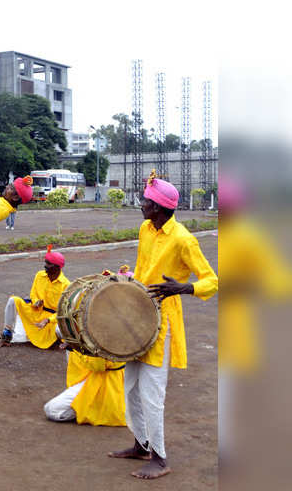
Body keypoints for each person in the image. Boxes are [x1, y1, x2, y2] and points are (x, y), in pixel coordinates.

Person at [108, 170, 217, 480]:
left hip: (162, 322)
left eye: (145, 201)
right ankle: (141, 445)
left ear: (157, 207)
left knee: (152, 392)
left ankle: (160, 458)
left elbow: (212, 280)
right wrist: (128, 280)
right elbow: (144, 268)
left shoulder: (184, 239)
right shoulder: (146, 228)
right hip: (136, 315)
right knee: (130, 388)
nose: (142, 204)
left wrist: (184, 288)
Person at [0, 245, 70, 349]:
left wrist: (47, 320)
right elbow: (33, 294)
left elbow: (63, 311)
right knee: (13, 300)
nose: (45, 265)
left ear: (57, 268)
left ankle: (60, 340)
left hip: (52, 319)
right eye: (45, 262)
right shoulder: (39, 275)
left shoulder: (66, 285)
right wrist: (36, 301)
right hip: (36, 312)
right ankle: (6, 335)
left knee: (62, 329)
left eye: (48, 264)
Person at [44, 348, 126, 426]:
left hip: (107, 382)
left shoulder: (105, 335)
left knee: (51, 409)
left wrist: (76, 350)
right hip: (99, 376)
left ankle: (89, 409)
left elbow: (97, 366)